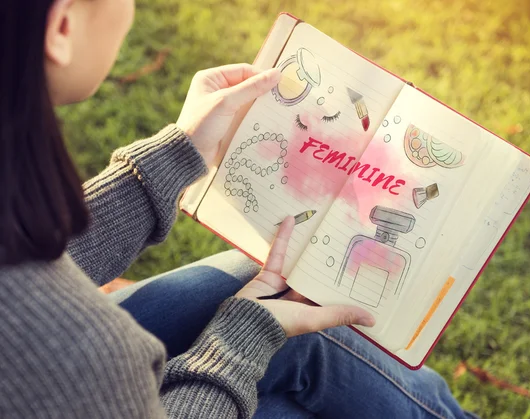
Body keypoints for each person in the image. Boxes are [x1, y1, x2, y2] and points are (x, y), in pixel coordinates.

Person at [0, 0, 477, 418]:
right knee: (293, 362)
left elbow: (22, 257)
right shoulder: (76, 347)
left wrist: (177, 154)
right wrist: (241, 339)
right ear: (62, 26)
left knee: (246, 283)